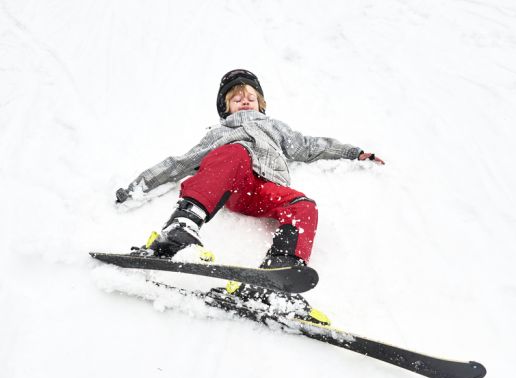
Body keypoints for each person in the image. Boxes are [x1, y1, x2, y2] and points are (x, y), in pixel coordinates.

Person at [115, 69, 384, 324]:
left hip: (266, 191)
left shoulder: (276, 129)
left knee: (303, 206)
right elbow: (180, 163)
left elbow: (309, 146)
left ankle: (276, 278)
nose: (245, 100)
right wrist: (138, 186)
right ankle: (181, 227)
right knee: (234, 153)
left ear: (261, 103)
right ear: (226, 108)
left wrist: (351, 152)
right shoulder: (219, 133)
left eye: (251, 97)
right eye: (236, 98)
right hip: (233, 182)